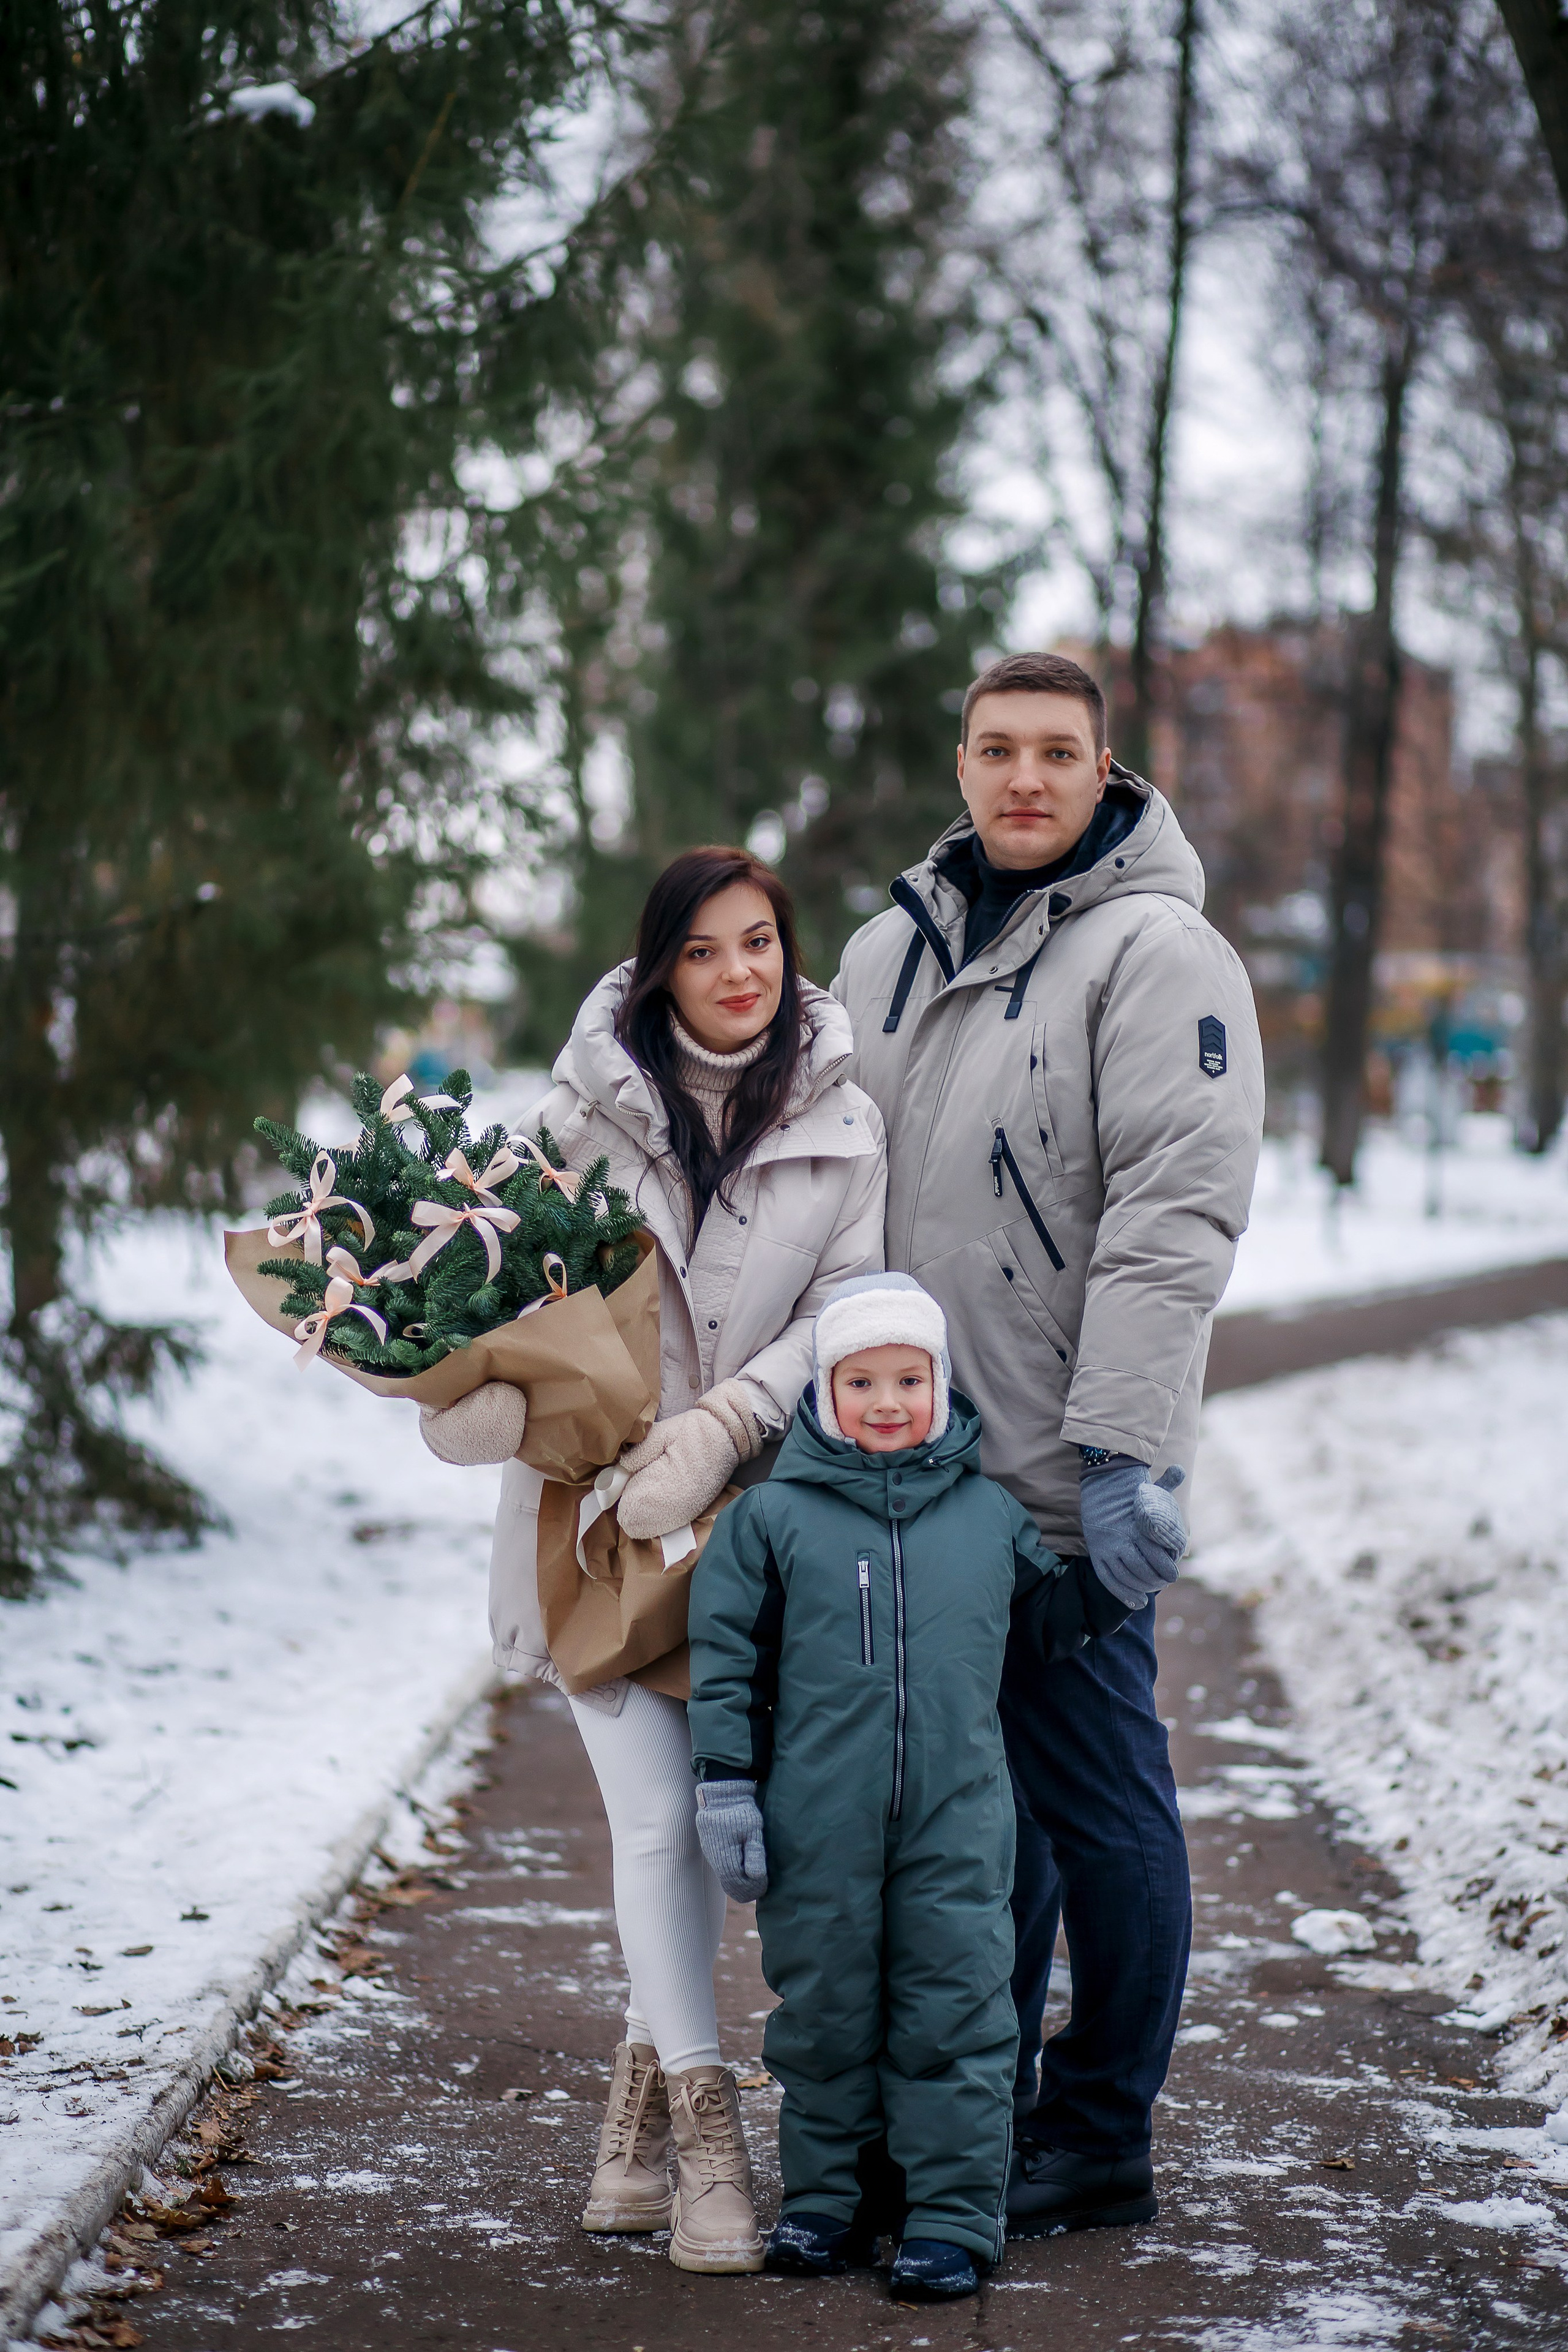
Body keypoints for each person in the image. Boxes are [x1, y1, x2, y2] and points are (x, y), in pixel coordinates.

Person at [831, 650, 1265, 2238]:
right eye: (998, 750)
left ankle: (1098, 2131)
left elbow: (1174, 1216)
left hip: (1060, 1471)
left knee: (1095, 1800)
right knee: (965, 1807)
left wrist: (1125, 1450)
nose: (1025, 779)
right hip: (902, 1465)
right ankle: (973, 2105)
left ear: (1106, 773)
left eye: (1058, 754)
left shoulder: (1161, 954)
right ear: (960, 766)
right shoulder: (885, 954)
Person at [418, 847, 886, 2273]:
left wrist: (730, 1417)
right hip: (592, 1523)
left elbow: (852, 1307)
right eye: (704, 950)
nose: (740, 972)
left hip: (753, 1528)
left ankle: (631, 2115)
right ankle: (702, 2144)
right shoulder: (571, 1120)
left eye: (760, 943)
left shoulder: (846, 1120)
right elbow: (497, 1296)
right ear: (657, 968)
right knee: (656, 1830)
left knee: (714, 1837)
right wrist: (474, 1396)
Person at [685, 1273, 1131, 2302]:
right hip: (817, 1819)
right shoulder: (771, 1520)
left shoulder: (988, 1515)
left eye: (908, 1379)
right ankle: (825, 2204)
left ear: (940, 1385)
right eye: (861, 1382)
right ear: (823, 1396)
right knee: (826, 2012)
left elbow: (1047, 1630)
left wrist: (1116, 1575)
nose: (887, 1402)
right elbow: (725, 1661)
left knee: (959, 2010)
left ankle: (950, 2221)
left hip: (959, 1818)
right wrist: (726, 1785)